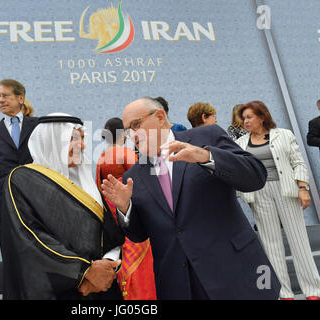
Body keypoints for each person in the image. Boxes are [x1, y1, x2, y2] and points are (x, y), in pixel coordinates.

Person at [101, 97, 280, 300]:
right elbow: (139, 235)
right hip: (180, 286)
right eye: (127, 130)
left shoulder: (206, 136)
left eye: (136, 125)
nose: (132, 134)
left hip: (235, 272)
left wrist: (206, 156)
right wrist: (125, 209)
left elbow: (255, 177)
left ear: (160, 117)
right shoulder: (132, 176)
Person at [1, 113, 124, 299]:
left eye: (83, 139)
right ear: (53, 141)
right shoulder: (21, 179)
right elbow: (29, 238)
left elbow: (108, 233)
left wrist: (107, 265)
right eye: (74, 138)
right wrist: (84, 272)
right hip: (56, 288)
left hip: (99, 287)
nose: (82, 145)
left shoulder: (85, 182)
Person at [235, 101, 320, 300]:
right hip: (259, 194)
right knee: (270, 244)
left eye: (249, 117)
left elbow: (298, 162)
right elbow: (240, 172)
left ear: (262, 116)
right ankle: (284, 293)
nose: (246, 121)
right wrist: (245, 195)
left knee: (298, 240)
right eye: (244, 118)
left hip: (286, 190)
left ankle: (312, 291)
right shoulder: (240, 143)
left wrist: (303, 188)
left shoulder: (284, 134)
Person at [96, 117, 156, 300]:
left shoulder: (102, 157)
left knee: (123, 252)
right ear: (123, 135)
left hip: (111, 212)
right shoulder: (127, 153)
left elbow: (99, 186)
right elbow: (141, 182)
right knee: (140, 255)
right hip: (130, 209)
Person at [0, 79, 39, 267]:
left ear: (20, 98)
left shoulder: (38, 126)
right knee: (10, 252)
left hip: (35, 197)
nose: (0, 100)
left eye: (5, 95)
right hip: (4, 198)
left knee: (37, 249)